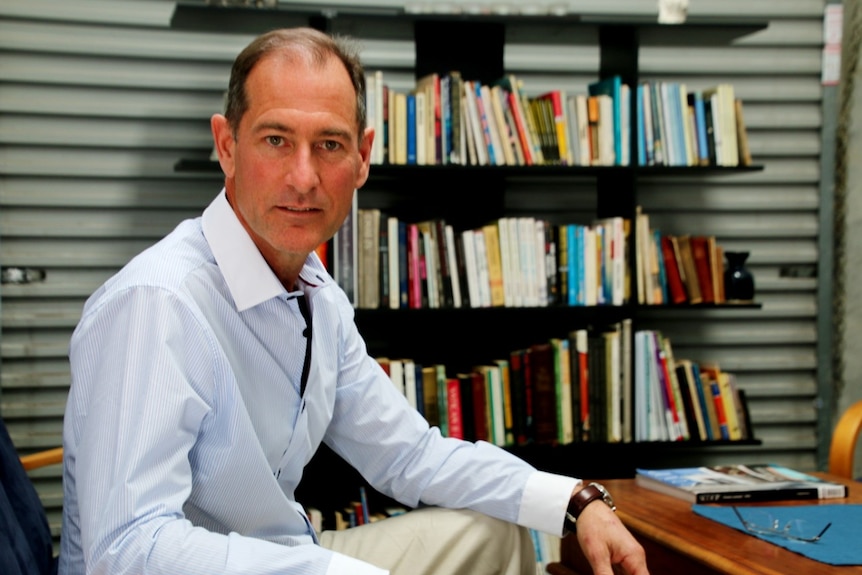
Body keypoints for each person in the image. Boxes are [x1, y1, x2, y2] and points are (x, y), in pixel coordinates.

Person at [59, 27, 649, 575]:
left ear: (362, 156)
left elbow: (411, 456)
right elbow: (129, 548)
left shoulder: (318, 295)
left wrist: (575, 500)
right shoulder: (155, 303)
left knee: (494, 530)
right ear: (227, 146)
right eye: (275, 139)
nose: (304, 176)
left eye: (330, 144)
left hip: (289, 555)